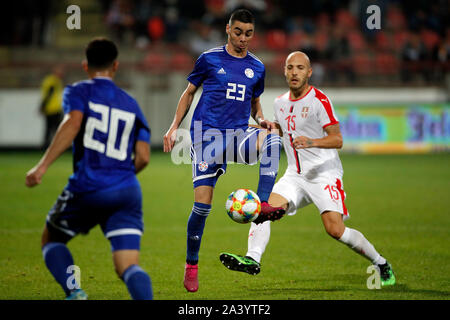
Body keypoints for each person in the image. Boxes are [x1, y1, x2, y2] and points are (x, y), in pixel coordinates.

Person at [219, 51, 396, 287]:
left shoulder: (319, 101)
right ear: (284, 71)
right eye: (290, 67)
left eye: (300, 68)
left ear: (309, 72)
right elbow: (285, 129)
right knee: (261, 208)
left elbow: (338, 139)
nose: (294, 72)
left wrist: (312, 142)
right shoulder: (280, 102)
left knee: (335, 230)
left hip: (324, 174)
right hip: (295, 175)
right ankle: (253, 259)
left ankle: (381, 263)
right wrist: (263, 127)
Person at [163, 9, 285, 293]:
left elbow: (254, 103)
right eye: (238, 32)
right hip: (206, 139)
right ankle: (191, 265)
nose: (243, 38)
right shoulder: (209, 59)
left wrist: (261, 119)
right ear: (228, 29)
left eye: (249, 33)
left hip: (238, 135)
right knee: (202, 207)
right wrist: (173, 127)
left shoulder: (257, 67)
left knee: (272, 137)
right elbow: (189, 93)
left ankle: (263, 204)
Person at [25, 38, 153, 300]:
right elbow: (143, 157)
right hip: (127, 190)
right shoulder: (131, 104)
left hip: (89, 185)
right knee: (128, 267)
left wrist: (42, 166)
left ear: (86, 66)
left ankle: (74, 291)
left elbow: (72, 123)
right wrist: (121, 176)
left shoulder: (78, 91)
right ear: (115, 65)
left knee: (52, 240)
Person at [39, 65, 65, 149]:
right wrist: (43, 106)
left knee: (50, 128)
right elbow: (49, 94)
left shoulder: (50, 80)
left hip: (52, 108)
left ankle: (47, 145)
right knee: (55, 128)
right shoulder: (54, 81)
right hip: (53, 108)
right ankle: (56, 145)